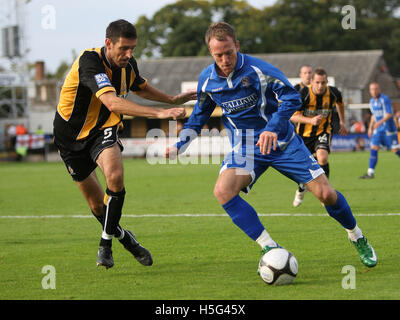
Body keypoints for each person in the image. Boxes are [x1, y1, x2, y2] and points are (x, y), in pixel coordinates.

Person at [166, 22, 377, 269]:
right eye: (218, 55)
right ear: (211, 53)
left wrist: (271, 128)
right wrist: (181, 143)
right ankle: (270, 247)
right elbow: (199, 116)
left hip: (284, 142)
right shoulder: (207, 81)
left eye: (229, 53)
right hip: (246, 145)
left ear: (237, 46)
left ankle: (356, 235)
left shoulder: (259, 70)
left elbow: (291, 96)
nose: (224, 59)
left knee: (326, 195)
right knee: (223, 191)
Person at [53, 19, 196, 269]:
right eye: (123, 49)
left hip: (102, 130)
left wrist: (171, 98)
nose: (128, 54)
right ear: (108, 43)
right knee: (97, 205)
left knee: (115, 177)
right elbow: (113, 102)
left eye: (133, 49)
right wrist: (160, 114)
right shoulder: (90, 62)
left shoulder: (127, 64)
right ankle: (126, 239)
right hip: (69, 138)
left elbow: (140, 87)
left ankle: (105, 244)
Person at [290, 68, 348, 207]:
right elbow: (292, 115)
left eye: (323, 82)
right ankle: (301, 188)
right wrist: (310, 121)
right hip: (304, 135)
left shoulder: (333, 93)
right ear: (312, 82)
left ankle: (325, 191)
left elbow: (340, 104)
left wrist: (342, 121)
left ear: (327, 82)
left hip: (323, 131)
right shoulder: (303, 94)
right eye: (317, 82)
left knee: (322, 157)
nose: (320, 86)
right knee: (303, 168)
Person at [359, 82, 400, 179]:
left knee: (395, 150)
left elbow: (389, 114)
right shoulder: (372, 101)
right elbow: (373, 115)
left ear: (379, 89)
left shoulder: (384, 99)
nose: (374, 91)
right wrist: (370, 127)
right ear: (370, 91)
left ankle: (370, 172)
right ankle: (370, 173)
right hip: (378, 130)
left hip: (389, 129)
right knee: (374, 148)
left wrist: (379, 122)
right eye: (372, 89)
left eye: (376, 89)